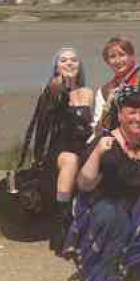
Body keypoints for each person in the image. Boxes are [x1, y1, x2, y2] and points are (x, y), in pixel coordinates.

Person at [69, 85, 140, 281]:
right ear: (119, 114)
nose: (138, 118)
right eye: (131, 112)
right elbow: (84, 184)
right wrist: (96, 154)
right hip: (103, 203)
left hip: (139, 204)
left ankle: (134, 262)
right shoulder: (106, 143)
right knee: (114, 216)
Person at [29, 46, 94, 254]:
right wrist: (57, 89)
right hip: (59, 150)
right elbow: (44, 120)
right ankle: (62, 225)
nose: (69, 63)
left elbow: (92, 125)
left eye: (73, 60)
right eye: (63, 60)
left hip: (82, 146)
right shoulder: (51, 90)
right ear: (56, 66)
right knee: (70, 161)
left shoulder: (88, 93)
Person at [91, 36, 140, 133]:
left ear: (132, 57)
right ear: (107, 62)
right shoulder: (103, 91)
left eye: (122, 55)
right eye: (112, 57)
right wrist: (109, 103)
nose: (118, 61)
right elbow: (98, 130)